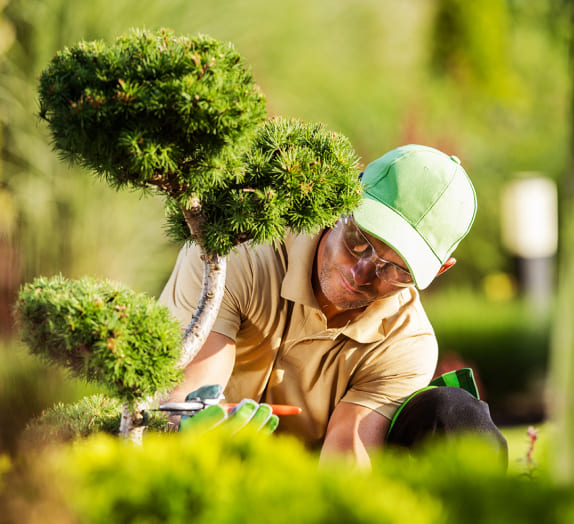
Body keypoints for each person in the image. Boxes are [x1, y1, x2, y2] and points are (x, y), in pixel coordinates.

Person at [159, 144, 507, 468]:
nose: (361, 273)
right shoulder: (239, 256)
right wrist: (194, 431)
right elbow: (182, 403)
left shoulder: (406, 341)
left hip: (302, 491)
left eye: (397, 269)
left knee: (458, 418)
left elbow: (345, 460)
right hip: (204, 470)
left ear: (440, 269)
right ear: (341, 201)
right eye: (359, 240)